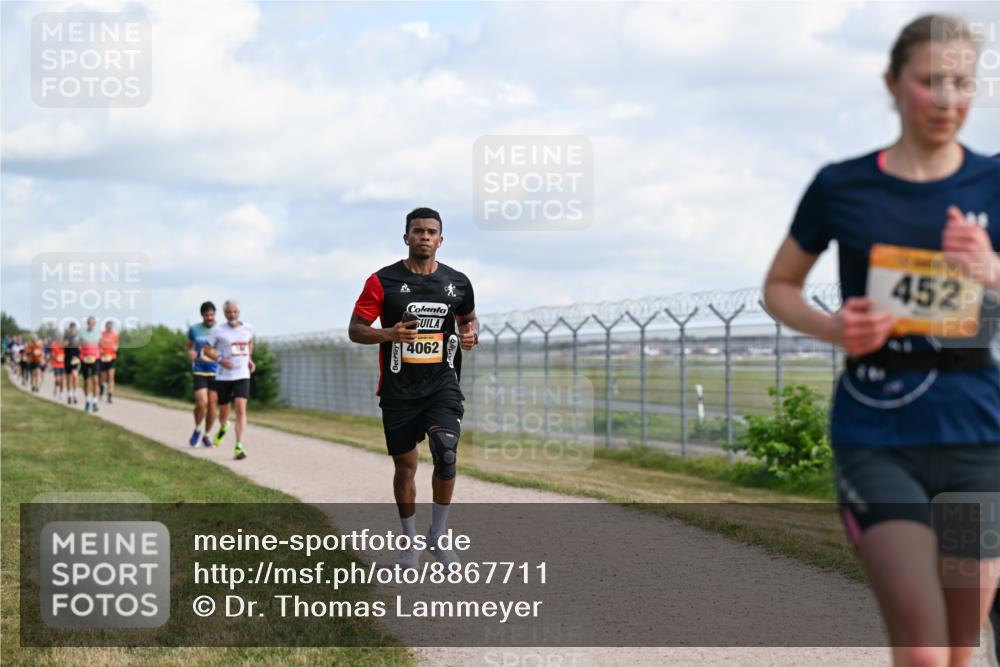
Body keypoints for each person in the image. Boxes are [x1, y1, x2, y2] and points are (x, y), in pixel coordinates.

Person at [763, 15, 999, 666]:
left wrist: (992, 271)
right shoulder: (843, 187)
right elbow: (780, 285)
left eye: (962, 82)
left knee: (958, 648)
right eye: (930, 81)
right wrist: (835, 327)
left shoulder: (995, 182)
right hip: (878, 430)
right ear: (893, 84)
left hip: (977, 432)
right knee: (924, 648)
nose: (948, 98)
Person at [349, 207, 479, 570]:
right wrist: (390, 333)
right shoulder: (382, 281)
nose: (424, 237)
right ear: (406, 237)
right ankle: (410, 542)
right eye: (418, 231)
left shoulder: (458, 283)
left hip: (443, 385)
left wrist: (470, 334)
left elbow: (468, 320)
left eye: (431, 232)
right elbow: (356, 329)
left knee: (446, 453)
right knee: (406, 467)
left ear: (441, 239)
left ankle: (438, 537)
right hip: (398, 390)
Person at [209, 300, 254, 460]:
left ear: (239, 312)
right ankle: (223, 426)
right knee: (224, 411)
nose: (232, 315)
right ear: (224, 313)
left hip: (242, 375)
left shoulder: (247, 327)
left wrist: (250, 359)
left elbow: (249, 342)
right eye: (228, 312)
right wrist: (220, 359)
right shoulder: (218, 330)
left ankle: (239, 445)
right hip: (223, 376)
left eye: (234, 312)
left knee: (241, 408)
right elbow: (207, 349)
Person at [185, 302, 220, 447]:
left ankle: (206, 435)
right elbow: (188, 347)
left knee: (212, 405)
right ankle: (198, 428)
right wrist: (191, 354)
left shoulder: (221, 329)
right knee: (202, 402)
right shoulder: (194, 329)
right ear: (202, 315)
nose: (210, 317)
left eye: (212, 314)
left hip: (216, 371)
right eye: (207, 315)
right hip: (200, 370)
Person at [78, 316, 102, 413]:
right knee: (86, 382)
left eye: (93, 323)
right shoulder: (82, 333)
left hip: (95, 358)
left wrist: (99, 353)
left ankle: (95, 402)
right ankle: (88, 400)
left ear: (95, 324)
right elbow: (78, 346)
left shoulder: (98, 333)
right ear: (87, 323)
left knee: (96, 380)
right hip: (84, 359)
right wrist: (82, 355)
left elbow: (101, 345)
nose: (91, 324)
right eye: (90, 322)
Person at [99, 320, 119, 404]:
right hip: (103, 357)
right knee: (103, 377)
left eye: (111, 326)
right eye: (108, 326)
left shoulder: (115, 334)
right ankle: (101, 391)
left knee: (111, 376)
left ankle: (110, 396)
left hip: (112, 357)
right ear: (106, 326)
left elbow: (117, 344)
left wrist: (115, 348)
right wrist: (101, 351)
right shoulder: (102, 334)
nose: (109, 327)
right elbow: (98, 344)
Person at [63, 323, 80, 404]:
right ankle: (69, 395)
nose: (73, 329)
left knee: (75, 376)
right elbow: (64, 346)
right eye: (71, 328)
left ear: (76, 328)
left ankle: (75, 395)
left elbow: (81, 347)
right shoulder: (66, 336)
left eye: (74, 328)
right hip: (67, 358)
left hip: (75, 358)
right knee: (69, 378)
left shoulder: (78, 337)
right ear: (70, 328)